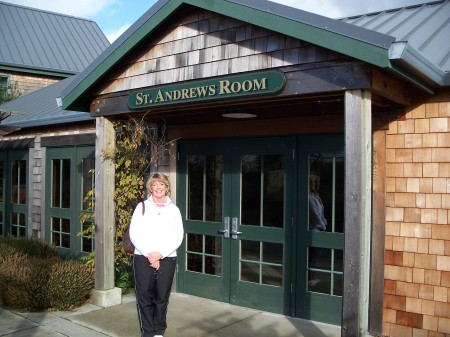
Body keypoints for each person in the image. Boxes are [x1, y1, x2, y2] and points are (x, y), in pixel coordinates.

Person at [130, 172, 184, 337]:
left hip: (167, 258)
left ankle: (158, 331)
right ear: (150, 188)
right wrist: (150, 254)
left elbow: (178, 235)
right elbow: (134, 233)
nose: (158, 187)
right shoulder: (142, 207)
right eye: (155, 185)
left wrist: (160, 254)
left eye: (161, 184)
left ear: (167, 188)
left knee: (162, 297)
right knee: (144, 296)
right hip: (143, 258)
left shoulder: (174, 210)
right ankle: (148, 331)